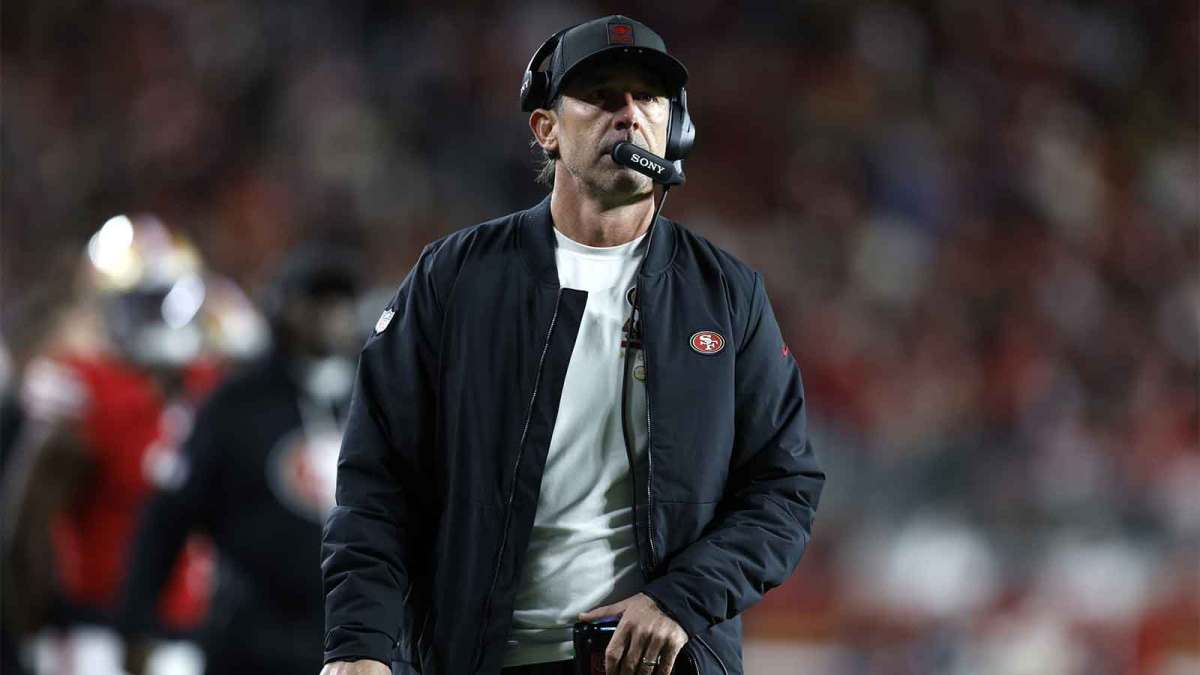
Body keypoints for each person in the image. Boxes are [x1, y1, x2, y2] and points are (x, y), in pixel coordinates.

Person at [321, 15, 824, 675]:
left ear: (676, 126)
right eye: (602, 95)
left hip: (660, 662)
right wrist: (359, 644)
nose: (629, 113)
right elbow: (379, 480)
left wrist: (680, 599)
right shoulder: (457, 277)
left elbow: (784, 486)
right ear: (546, 129)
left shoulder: (725, 294)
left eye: (648, 97)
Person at [2, 214, 260, 675]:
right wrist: (30, 623)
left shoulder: (209, 387)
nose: (156, 316)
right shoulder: (84, 388)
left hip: (185, 633)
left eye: (165, 299)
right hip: (94, 633)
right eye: (141, 301)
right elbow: (27, 527)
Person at [117, 246, 364, 675]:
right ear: (286, 309)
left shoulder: (375, 399)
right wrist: (137, 623)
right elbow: (169, 517)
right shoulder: (235, 404)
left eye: (340, 303)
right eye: (317, 303)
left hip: (351, 640)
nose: (331, 315)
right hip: (252, 640)